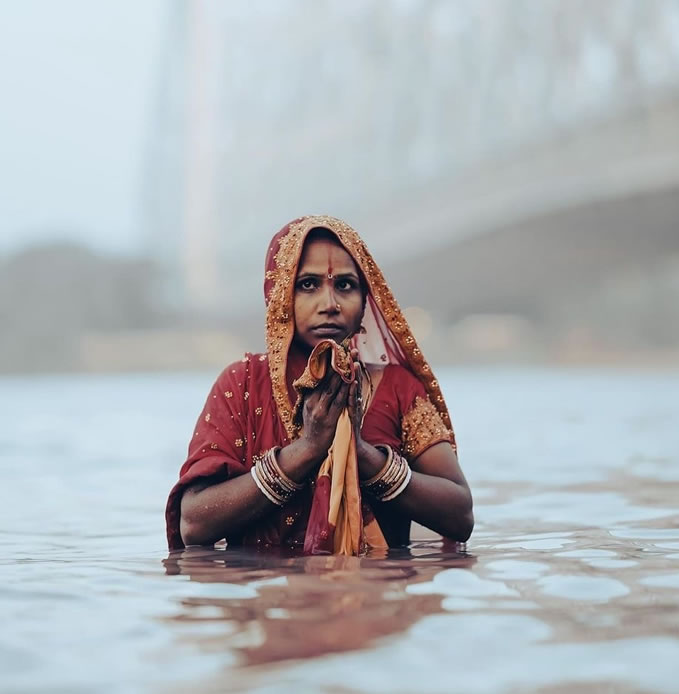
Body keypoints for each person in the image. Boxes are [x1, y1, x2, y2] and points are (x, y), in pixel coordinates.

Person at [166, 215, 473, 552]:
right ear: (280, 293)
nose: (330, 304)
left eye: (345, 285)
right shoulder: (243, 383)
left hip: (376, 598)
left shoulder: (398, 388)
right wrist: (307, 450)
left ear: (365, 301)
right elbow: (193, 523)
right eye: (308, 284)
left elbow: (460, 516)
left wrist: (363, 454)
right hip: (272, 600)